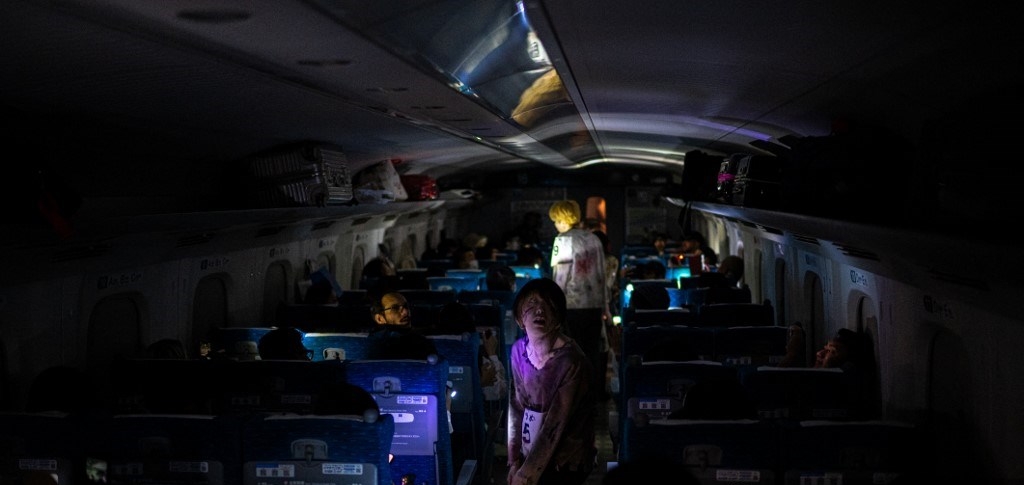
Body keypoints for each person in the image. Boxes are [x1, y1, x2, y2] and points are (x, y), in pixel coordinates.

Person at [507, 278, 597, 485]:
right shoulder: (518, 351)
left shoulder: (572, 361)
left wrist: (526, 474)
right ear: (520, 317)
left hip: (566, 457)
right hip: (531, 451)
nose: (539, 310)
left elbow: (555, 424)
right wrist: (514, 461)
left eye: (548, 305)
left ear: (558, 319)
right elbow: (517, 406)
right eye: (532, 303)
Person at [548, 199, 609, 402]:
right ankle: (593, 392)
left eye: (556, 220)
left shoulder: (562, 240)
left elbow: (561, 276)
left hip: (571, 304)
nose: (555, 224)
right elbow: (602, 275)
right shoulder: (594, 239)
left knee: (570, 351)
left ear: (563, 219)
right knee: (591, 350)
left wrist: (554, 304)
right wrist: (605, 306)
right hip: (594, 303)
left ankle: (574, 393)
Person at [367, 291, 438, 360]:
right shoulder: (420, 344)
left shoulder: (366, 345)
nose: (405, 312)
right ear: (380, 319)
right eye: (395, 308)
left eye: (406, 306)